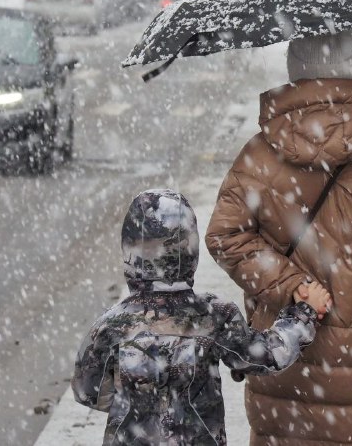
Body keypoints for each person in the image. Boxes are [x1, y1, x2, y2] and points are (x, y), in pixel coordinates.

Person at [206, 29, 352, 446]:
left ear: (294, 71)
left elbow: (226, 237)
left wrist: (294, 286)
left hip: (293, 357)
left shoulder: (259, 157)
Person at [71, 189, 331, 446]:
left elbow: (87, 391)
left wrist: (137, 401)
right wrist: (304, 313)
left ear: (129, 252)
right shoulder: (213, 316)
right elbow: (269, 354)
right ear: (190, 249)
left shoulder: (113, 325)